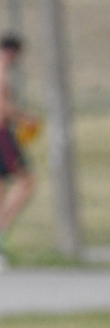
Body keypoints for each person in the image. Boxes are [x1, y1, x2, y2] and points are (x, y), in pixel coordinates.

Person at [0, 32, 35, 269]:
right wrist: (24, 117)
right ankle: (2, 229)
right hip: (2, 134)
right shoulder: (2, 72)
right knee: (27, 181)